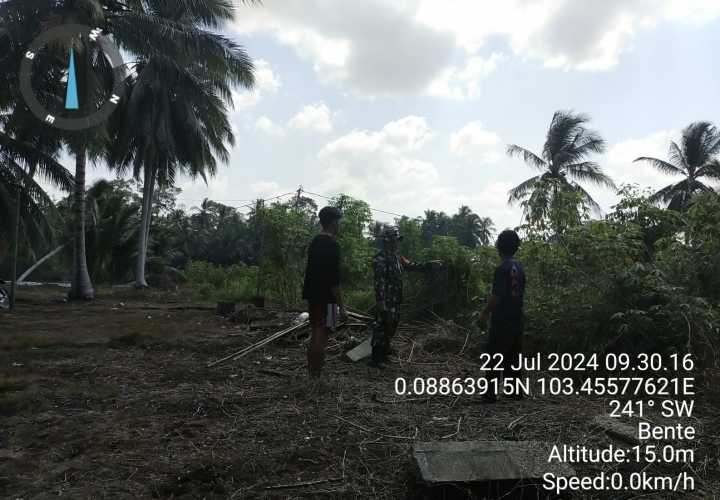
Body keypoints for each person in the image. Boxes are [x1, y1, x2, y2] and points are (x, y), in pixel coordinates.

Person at [369, 226, 441, 368]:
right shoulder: (380, 259)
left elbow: (411, 265)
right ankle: (376, 358)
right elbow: (380, 282)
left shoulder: (397, 257)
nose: (397, 243)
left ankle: (384, 353)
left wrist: (428, 265)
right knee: (381, 326)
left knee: (392, 325)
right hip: (386, 299)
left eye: (397, 240)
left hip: (396, 299)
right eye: (395, 240)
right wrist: (381, 302)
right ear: (388, 241)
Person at [478, 229, 526, 403]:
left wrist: (484, 314)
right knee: (513, 356)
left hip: (502, 320)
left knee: (494, 357)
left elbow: (496, 296)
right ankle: (515, 392)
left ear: (499, 246)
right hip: (517, 319)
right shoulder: (520, 267)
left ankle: (490, 394)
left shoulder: (501, 268)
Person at [302, 206, 347, 379]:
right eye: (339, 222)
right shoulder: (333, 245)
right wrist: (342, 307)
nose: (339, 226)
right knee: (321, 335)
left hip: (313, 295)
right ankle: (315, 376)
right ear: (334, 223)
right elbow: (334, 280)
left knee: (316, 332)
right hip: (327, 299)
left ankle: (313, 372)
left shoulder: (314, 242)